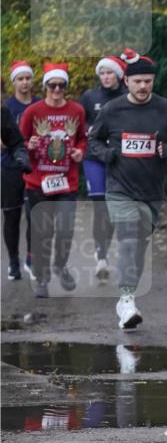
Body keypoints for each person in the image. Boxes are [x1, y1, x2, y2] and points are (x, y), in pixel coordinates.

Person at [88, 50, 167, 329]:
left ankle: (124, 299)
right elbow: (94, 140)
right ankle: (127, 299)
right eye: (138, 81)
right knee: (129, 236)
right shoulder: (112, 110)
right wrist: (106, 154)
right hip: (120, 187)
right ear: (126, 81)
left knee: (139, 245)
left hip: (151, 190)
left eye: (148, 81)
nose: (143, 86)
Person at [19, 63, 87, 298]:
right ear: (45, 86)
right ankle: (42, 277)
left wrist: (80, 151)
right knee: (42, 232)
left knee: (66, 229)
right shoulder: (33, 111)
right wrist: (28, 144)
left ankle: (60, 265)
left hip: (66, 181)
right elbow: (19, 142)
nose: (57, 90)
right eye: (52, 85)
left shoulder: (77, 110)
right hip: (38, 182)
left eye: (61, 85)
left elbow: (82, 138)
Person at [79, 55, 128, 282]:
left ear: (118, 75)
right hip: (94, 158)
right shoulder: (90, 96)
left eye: (110, 73)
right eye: (102, 73)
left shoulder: (126, 96)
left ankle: (112, 251)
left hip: (119, 159)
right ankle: (101, 256)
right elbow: (78, 122)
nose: (106, 77)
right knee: (101, 207)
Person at [3, 61, 40, 280]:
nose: (25, 82)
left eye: (28, 78)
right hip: (9, 167)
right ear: (14, 82)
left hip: (35, 167)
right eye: (20, 79)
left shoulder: (40, 105)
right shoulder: (6, 107)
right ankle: (13, 261)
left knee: (34, 214)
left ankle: (31, 259)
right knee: (12, 216)